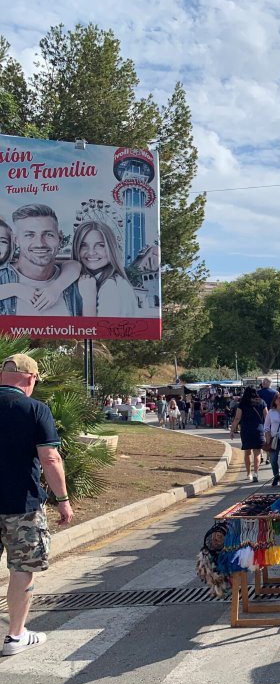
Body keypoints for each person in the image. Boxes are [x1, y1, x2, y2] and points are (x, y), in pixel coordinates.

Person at [0, 354, 72, 656]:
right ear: (30, 378)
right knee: (22, 569)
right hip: (22, 506)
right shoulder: (35, 409)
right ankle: (16, 635)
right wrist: (63, 500)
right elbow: (50, 458)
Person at [0, 209, 82, 316]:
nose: (40, 243)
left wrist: (56, 288)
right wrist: (15, 288)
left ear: (60, 238)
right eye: (29, 235)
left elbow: (73, 265)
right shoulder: (3, 279)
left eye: (48, 234)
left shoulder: (77, 283)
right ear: (16, 240)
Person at [71, 220, 138, 317]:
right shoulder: (95, 281)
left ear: (111, 248)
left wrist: (89, 299)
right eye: (83, 245)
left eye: (100, 245)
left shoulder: (111, 288)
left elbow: (99, 331)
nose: (91, 252)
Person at [230, 386, 268, 482]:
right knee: (257, 453)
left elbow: (237, 418)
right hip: (259, 429)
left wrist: (232, 430)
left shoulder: (242, 403)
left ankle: (248, 474)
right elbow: (266, 416)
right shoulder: (261, 402)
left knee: (247, 453)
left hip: (246, 430)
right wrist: (268, 430)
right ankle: (256, 473)